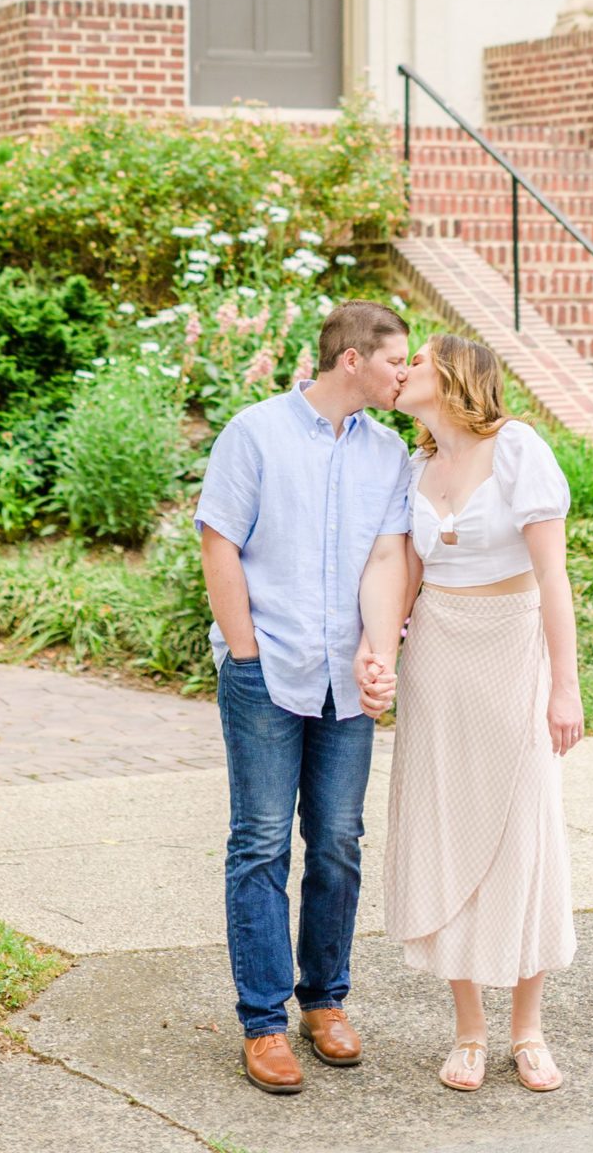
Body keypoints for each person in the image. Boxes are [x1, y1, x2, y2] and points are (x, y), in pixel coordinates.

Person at [195, 296, 413, 1096]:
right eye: (397, 358)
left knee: (338, 841)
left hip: (343, 680)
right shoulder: (252, 433)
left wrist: (376, 649)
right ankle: (262, 1020)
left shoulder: (388, 453)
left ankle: (324, 1002)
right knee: (258, 843)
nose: (406, 372)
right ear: (351, 358)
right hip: (266, 670)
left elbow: (388, 558)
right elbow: (219, 543)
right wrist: (245, 652)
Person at [358, 331, 582, 1094]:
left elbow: (553, 580)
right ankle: (468, 1030)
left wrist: (565, 687)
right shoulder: (412, 467)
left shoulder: (518, 450)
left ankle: (528, 1029)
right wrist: (378, 654)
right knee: (443, 826)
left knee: (523, 830)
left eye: (414, 360)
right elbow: (401, 574)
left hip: (512, 650)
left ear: (453, 376)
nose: (402, 369)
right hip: (439, 660)